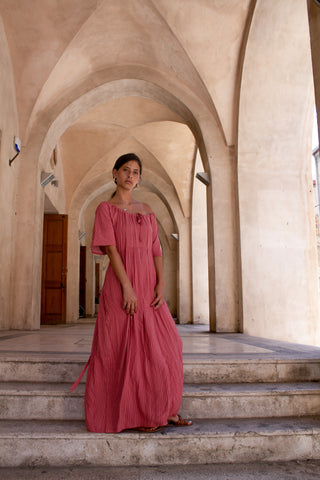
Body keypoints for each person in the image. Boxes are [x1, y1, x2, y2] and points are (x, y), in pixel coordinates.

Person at [71, 153, 192, 433]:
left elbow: (155, 250)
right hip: (121, 285)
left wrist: (161, 284)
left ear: (139, 178)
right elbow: (111, 250)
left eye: (136, 172)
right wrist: (127, 287)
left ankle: (164, 408)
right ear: (114, 173)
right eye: (126, 170)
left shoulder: (147, 209)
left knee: (169, 344)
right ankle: (136, 414)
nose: (130, 175)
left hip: (149, 285)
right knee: (123, 348)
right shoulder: (105, 208)